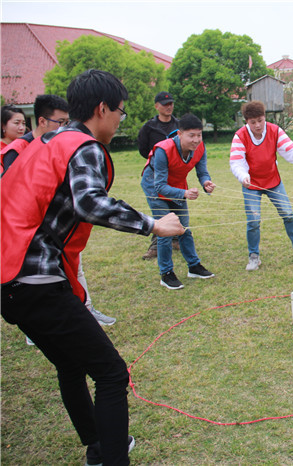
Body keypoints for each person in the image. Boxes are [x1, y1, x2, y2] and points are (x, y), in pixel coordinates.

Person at [1, 69, 185, 465]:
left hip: (11, 282)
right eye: (119, 111)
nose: (120, 120)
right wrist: (153, 224)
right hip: (35, 280)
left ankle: (99, 447)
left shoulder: (45, 142)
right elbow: (90, 202)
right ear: (102, 109)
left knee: (70, 363)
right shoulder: (83, 146)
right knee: (112, 373)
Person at [1, 94, 116, 330]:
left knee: (75, 270)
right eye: (60, 122)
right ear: (43, 121)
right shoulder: (22, 150)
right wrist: (152, 225)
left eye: (67, 122)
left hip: (60, 239)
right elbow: (88, 202)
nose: (65, 127)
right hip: (30, 252)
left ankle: (85, 309)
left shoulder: (57, 144)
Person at [229, 100, 293, 271]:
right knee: (253, 220)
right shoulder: (240, 136)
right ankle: (253, 256)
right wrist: (243, 176)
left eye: (260, 120)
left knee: (288, 214)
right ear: (246, 122)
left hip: (273, 181)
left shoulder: (274, 130)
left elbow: (290, 148)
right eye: (253, 122)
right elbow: (236, 162)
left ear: (265, 117)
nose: (257, 125)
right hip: (251, 184)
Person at [141, 113, 216, 290]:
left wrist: (206, 182)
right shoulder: (163, 150)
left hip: (178, 186)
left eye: (199, 135)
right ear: (180, 134)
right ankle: (166, 273)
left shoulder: (200, 147)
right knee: (166, 232)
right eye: (191, 135)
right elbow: (160, 186)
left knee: (183, 228)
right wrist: (184, 193)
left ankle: (194, 266)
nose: (196, 140)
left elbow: (202, 171)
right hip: (155, 188)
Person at [137, 91, 180, 260]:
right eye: (164, 104)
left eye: (171, 104)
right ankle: (156, 245)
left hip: (174, 173)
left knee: (176, 205)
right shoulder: (149, 127)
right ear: (157, 106)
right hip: (155, 174)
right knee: (159, 209)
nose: (168, 107)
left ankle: (175, 238)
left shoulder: (179, 125)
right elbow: (143, 149)